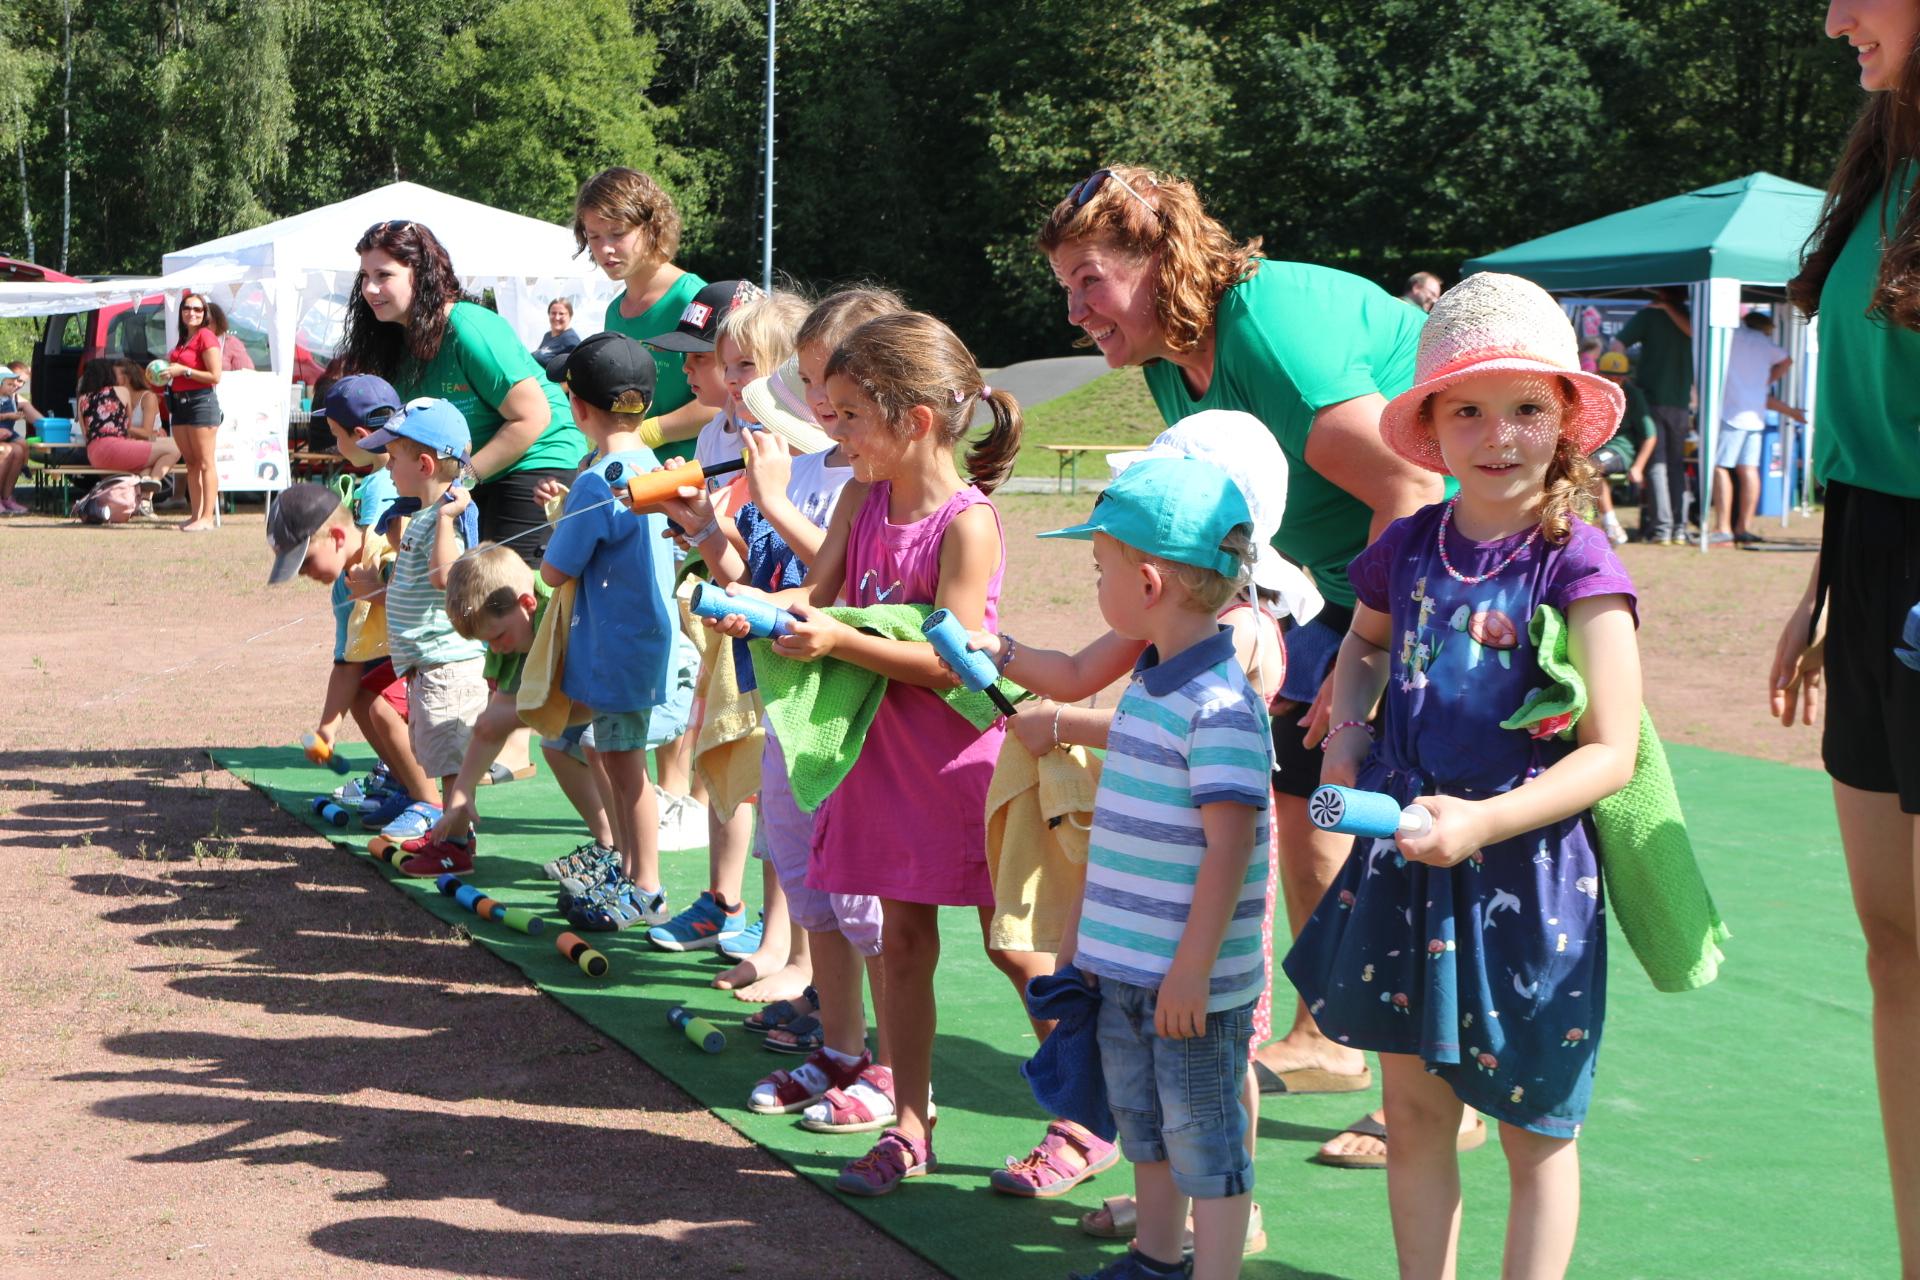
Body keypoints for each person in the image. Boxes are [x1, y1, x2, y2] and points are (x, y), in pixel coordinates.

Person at [1037, 164, 1446, 1167]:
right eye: (1066, 286)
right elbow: (1237, 504)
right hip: (1341, 585)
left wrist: (1364, 651)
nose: (1077, 307)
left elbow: (1411, 484)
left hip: (1426, 583)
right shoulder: (1170, 354)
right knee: (1308, 816)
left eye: (1090, 279)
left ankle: (1439, 1088)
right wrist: (1263, 606)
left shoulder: (1269, 323)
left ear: (1158, 259)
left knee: (1403, 833)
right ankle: (1334, 1033)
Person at [1284, 273, 1640, 1280]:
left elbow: (1609, 751)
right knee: (1414, 1110)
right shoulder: (1405, 544)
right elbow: (1360, 645)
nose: (1499, 435)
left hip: (1526, 880)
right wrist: (1348, 731)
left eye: (1527, 407)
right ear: (1432, 428)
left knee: (1536, 1124)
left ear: (1567, 418)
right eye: (1468, 409)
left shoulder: (1579, 564)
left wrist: (1484, 825)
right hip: (1405, 864)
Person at [718, 311, 1024, 1196]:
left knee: (1013, 949)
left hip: (957, 765)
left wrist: (834, 641)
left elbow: (948, 661)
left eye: (848, 415)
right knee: (899, 948)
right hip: (876, 759)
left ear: (914, 420)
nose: (831, 430)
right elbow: (818, 601)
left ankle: (1087, 1117)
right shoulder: (861, 497)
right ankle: (910, 1125)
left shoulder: (969, 524)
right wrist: (762, 612)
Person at [971, 412, 1293, 1248]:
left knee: (1208, 1125)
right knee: (1148, 1125)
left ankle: (1214, 1247)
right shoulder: (1156, 669)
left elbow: (1229, 839)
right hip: (1131, 949)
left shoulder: (1228, 682)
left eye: (1098, 566)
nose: (1093, 584)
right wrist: (1082, 947)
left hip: (1190, 962)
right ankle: (1157, 1250)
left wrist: (1190, 971)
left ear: (1149, 582)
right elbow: (1121, 807)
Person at [1775, 5, 1920, 1267]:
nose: (1832, 22)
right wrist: (1824, 587)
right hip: (1872, 557)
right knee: (1895, 942)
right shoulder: (1886, 148)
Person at [644, 288, 811, 960]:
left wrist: (718, 528)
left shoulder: (800, 446)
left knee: (775, 789)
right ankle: (736, 911)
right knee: (733, 766)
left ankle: (783, 945)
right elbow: (735, 560)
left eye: (736, 364)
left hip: (784, 635)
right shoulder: (718, 431)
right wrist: (696, 524)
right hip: (736, 618)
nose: (704, 373)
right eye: (723, 364)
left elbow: (801, 563)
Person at [336, 219, 588, 568]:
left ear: (420, 274)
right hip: (476, 471)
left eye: (383, 275)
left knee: (501, 595)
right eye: (364, 276)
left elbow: (532, 417)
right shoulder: (395, 342)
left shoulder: (469, 328)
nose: (369, 288)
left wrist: (459, 479)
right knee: (461, 591)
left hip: (539, 460)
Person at [539, 333, 680, 932]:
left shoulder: (599, 479)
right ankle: (625, 868)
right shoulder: (648, 466)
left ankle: (645, 885)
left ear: (578, 408)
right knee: (610, 756)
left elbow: (554, 570)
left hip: (619, 650)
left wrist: (564, 513)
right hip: (642, 640)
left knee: (626, 769)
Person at [349, 398, 490, 850]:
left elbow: (448, 578)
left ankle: (453, 848)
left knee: (452, 767)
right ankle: (449, 838)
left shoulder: (452, 514)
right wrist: (378, 583)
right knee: (444, 761)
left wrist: (447, 519)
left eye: (394, 458)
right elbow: (415, 583)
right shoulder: (426, 515)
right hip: (428, 666)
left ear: (425, 463)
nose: (387, 466)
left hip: (449, 666)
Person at [262, 476, 439, 832]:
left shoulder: (387, 553)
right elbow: (347, 664)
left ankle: (433, 807)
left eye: (306, 562)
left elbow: (426, 601)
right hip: (405, 673)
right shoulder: (342, 591)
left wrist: (379, 590)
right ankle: (407, 787)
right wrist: (327, 730)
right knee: (362, 696)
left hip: (440, 667)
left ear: (338, 538)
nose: (305, 574)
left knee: (377, 704)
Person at [574, 167, 714, 462]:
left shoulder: (695, 298)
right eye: (594, 236)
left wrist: (651, 431)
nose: (605, 249)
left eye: (618, 233)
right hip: (633, 479)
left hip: (691, 480)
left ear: (652, 228)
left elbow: (726, 400)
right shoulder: (615, 311)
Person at [1610, 287, 1693, 544]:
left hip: (1651, 398)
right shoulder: (1690, 316)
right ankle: (1679, 528)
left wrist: (1619, 375)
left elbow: (1617, 344)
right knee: (1676, 466)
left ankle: (1662, 530)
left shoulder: (1648, 315)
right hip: (1680, 401)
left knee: (1657, 466)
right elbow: (1696, 334)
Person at [1711, 312, 1797, 546]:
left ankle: (1723, 527)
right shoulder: (1765, 343)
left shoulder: (1732, 335)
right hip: (1755, 414)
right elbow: (1787, 360)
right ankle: (1743, 527)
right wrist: (1767, 380)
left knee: (1720, 468)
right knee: (1748, 470)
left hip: (1732, 411)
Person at [75, 357, 180, 514]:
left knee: (147, 464)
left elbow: (85, 434)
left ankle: (145, 499)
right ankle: (152, 481)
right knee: (176, 447)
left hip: (94, 454)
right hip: (117, 447)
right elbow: (126, 425)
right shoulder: (121, 392)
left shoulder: (82, 399)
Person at [163, 291, 225, 533]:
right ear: (181, 312)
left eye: (198, 310)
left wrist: (184, 371)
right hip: (179, 404)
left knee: (206, 462)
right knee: (190, 463)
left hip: (202, 403)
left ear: (205, 314)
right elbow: (177, 370)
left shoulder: (206, 337)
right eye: (188, 308)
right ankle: (195, 515)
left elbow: (215, 376)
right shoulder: (183, 340)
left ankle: (207, 517)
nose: (192, 313)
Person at [1590, 352, 1658, 546]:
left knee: (1591, 467)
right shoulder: (1591, 391)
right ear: (1598, 373)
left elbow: (1650, 435)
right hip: (1593, 447)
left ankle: (1612, 526)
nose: (1615, 381)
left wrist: (1638, 467)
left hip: (1620, 449)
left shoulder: (1634, 395)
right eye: (1609, 376)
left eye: (1619, 377)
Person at [0, 363, 43, 514]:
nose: (17, 386)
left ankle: (7, 497)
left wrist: (50, 427)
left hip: (7, 435)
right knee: (5, 450)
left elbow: (39, 420)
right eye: (13, 382)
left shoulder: (14, 398)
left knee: (18, 449)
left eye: (21, 382)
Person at [205, 302, 256, 371]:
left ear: (218, 322)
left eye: (207, 322)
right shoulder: (188, 341)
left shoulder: (231, 343)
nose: (204, 326)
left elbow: (246, 372)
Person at [532, 298, 582, 366]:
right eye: (553, 313)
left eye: (561, 314)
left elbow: (576, 368)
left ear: (570, 316)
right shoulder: (547, 335)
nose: (557, 317)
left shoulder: (571, 340)